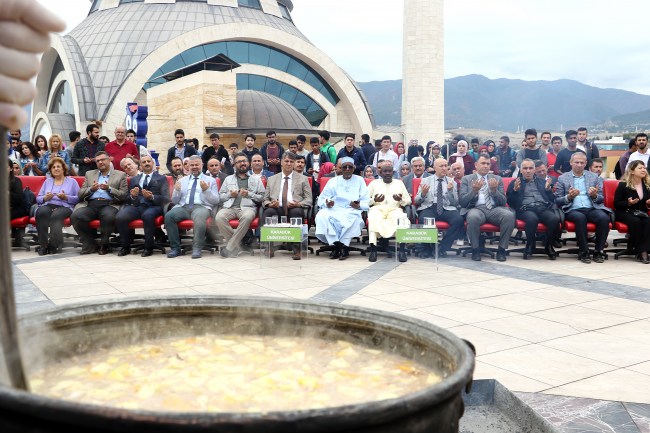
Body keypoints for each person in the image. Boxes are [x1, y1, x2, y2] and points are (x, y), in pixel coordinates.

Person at [555, 152, 612, 263]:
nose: (579, 165)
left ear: (586, 163)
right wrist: (569, 197)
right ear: (571, 163)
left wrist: (595, 196)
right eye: (576, 162)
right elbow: (557, 200)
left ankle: (598, 251)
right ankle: (584, 251)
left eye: (582, 162)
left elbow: (601, 199)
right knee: (580, 218)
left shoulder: (593, 177)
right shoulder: (563, 178)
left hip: (591, 208)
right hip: (573, 209)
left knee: (604, 218)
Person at [459, 154, 515, 262]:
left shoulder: (497, 179)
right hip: (476, 208)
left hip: (493, 209)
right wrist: (474, 191)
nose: (485, 166)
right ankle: (475, 249)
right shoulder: (467, 179)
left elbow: (503, 202)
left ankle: (501, 250)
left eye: (488, 164)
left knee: (508, 216)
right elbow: (462, 202)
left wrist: (494, 191)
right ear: (476, 165)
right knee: (473, 217)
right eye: (483, 163)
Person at [71, 151, 128, 255]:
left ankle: (104, 244)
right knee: (76, 216)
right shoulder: (90, 174)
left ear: (109, 160)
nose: (100, 162)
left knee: (108, 216)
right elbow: (80, 194)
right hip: (91, 204)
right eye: (98, 161)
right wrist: (91, 189)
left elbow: (124, 195)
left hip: (110, 203)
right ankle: (90, 243)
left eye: (103, 160)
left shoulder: (120, 175)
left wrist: (109, 189)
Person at [165, 155, 220, 259]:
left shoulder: (210, 180)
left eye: (197, 164)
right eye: (192, 165)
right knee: (169, 216)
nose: (194, 167)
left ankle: (197, 248)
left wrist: (206, 190)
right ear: (188, 167)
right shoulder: (182, 180)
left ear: (202, 165)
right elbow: (175, 201)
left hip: (202, 207)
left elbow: (216, 200)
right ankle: (175, 248)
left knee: (199, 217)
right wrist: (176, 190)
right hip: (184, 207)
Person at [114, 155, 168, 257]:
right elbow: (128, 199)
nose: (146, 163)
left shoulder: (161, 178)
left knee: (147, 216)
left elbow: (166, 198)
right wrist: (133, 196)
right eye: (144, 162)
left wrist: (152, 197)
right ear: (140, 166)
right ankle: (125, 247)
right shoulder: (135, 179)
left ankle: (148, 247)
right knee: (120, 217)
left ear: (153, 163)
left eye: (149, 161)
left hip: (154, 206)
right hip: (137, 206)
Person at [315, 157, 369, 260]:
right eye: (345, 167)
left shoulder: (360, 180)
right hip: (334, 208)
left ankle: (340, 247)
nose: (347, 169)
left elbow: (366, 199)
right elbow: (322, 199)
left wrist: (358, 205)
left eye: (350, 167)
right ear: (341, 168)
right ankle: (338, 246)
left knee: (354, 219)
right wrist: (328, 203)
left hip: (351, 209)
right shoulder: (333, 181)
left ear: (354, 168)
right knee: (322, 216)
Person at [507, 159, 560, 260]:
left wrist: (548, 190)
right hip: (525, 209)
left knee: (554, 219)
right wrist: (515, 191)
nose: (528, 171)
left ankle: (549, 246)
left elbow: (552, 200)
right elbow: (510, 203)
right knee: (532, 219)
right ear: (521, 170)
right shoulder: (515, 182)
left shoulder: (542, 182)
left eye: (530, 168)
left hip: (542, 207)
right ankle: (530, 245)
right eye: (525, 168)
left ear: (534, 170)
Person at [261, 152, 312, 260]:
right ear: (281, 163)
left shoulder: (303, 179)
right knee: (268, 212)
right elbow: (265, 199)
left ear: (294, 164)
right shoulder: (272, 179)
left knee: (297, 212)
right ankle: (268, 246)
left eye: (291, 162)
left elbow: (309, 200)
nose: (289, 164)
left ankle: (297, 248)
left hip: (294, 207)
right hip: (276, 207)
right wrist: (270, 204)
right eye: (286, 161)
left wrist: (298, 203)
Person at [216, 153, 265, 258]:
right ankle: (236, 246)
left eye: (244, 161)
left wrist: (249, 194)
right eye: (239, 162)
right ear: (234, 164)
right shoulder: (228, 179)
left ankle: (229, 248)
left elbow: (262, 197)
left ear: (248, 163)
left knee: (247, 217)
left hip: (247, 208)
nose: (242, 163)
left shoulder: (256, 179)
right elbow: (220, 198)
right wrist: (230, 194)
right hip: (230, 207)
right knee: (219, 217)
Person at [415, 158, 464, 257]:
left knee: (458, 220)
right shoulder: (426, 180)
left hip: (446, 208)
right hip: (430, 207)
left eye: (446, 166)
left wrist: (450, 191)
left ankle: (442, 246)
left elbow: (455, 203)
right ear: (435, 168)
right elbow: (417, 201)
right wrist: (423, 194)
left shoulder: (452, 182)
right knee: (424, 219)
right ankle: (427, 248)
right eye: (441, 166)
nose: (444, 168)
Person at [34, 158, 79, 255]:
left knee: (56, 215)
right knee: (41, 212)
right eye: (53, 167)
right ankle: (43, 245)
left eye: (58, 166)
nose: (56, 169)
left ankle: (54, 245)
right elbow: (38, 199)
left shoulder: (72, 182)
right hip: (48, 204)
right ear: (50, 170)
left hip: (65, 206)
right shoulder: (47, 181)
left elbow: (78, 199)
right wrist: (45, 198)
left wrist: (66, 197)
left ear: (63, 168)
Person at [367, 163, 411, 262]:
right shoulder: (374, 183)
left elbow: (408, 200)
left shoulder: (399, 183)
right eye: (385, 171)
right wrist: (374, 200)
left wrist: (400, 200)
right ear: (380, 173)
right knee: (373, 217)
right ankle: (373, 250)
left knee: (402, 220)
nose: (387, 173)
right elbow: (364, 200)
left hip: (394, 209)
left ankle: (402, 251)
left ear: (393, 172)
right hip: (378, 208)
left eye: (389, 171)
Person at [613, 160, 650, 263]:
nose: (643, 170)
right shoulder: (623, 185)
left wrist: (648, 203)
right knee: (636, 222)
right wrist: (628, 203)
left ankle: (642, 249)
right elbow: (616, 204)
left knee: (648, 221)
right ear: (632, 171)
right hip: (624, 211)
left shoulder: (647, 185)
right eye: (640, 168)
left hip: (640, 212)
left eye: (644, 168)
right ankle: (642, 252)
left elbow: (645, 205)